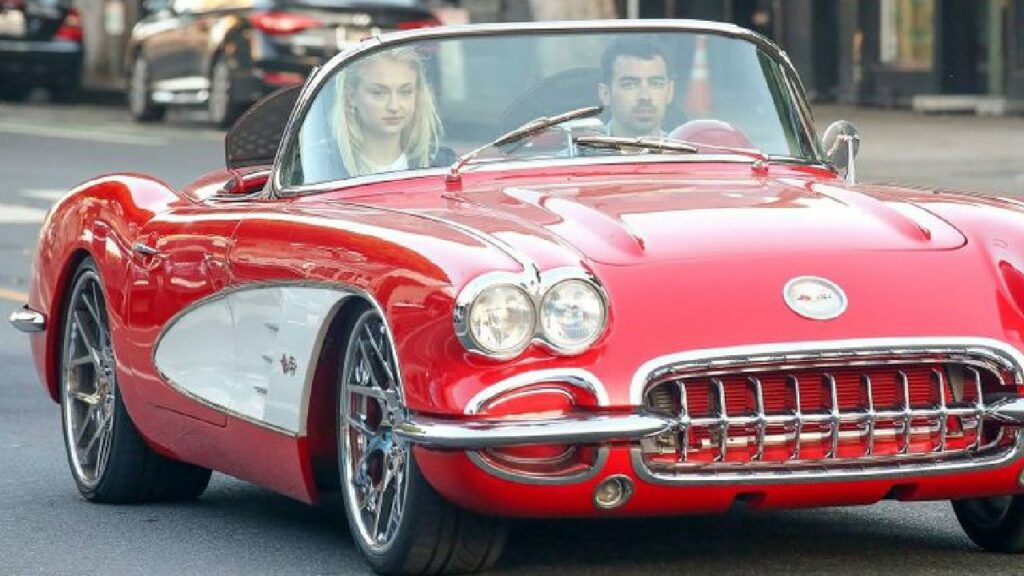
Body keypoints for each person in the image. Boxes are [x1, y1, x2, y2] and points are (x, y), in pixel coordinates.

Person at [333, 47, 451, 178]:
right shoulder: (326, 166)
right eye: (379, 93)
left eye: (405, 92)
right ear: (351, 97)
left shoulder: (442, 165)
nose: (394, 106)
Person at [597, 37, 675, 138]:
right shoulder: (580, 153)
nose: (645, 96)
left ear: (670, 91)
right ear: (605, 94)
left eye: (656, 84)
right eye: (630, 85)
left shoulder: (690, 152)